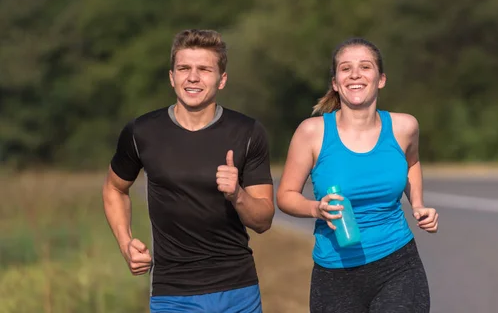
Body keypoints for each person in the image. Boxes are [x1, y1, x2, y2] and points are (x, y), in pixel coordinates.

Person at [102, 29, 274, 313]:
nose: (193, 77)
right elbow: (114, 188)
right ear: (172, 77)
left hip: (237, 289)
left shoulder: (247, 132)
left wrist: (238, 195)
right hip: (173, 293)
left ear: (222, 79)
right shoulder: (142, 132)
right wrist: (125, 242)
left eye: (204, 69)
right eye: (184, 68)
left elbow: (264, 220)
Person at [276, 37, 438, 313]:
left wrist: (419, 204)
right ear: (336, 83)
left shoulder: (404, 127)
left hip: (397, 264)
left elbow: (412, 162)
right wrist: (316, 208)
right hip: (335, 272)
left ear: (381, 79)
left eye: (365, 67)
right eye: (345, 68)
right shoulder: (312, 132)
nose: (355, 74)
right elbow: (286, 196)